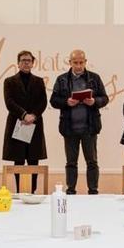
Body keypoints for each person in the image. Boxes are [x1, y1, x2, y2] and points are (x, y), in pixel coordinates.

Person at [50, 49, 109, 194]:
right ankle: (71, 190)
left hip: (90, 128)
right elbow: (53, 100)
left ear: (85, 62)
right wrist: (66, 102)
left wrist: (94, 101)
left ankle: (93, 190)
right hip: (69, 128)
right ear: (70, 62)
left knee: (92, 162)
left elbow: (105, 98)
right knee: (71, 162)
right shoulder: (62, 79)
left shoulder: (94, 78)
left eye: (81, 62)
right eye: (75, 62)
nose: (78, 65)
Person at [2, 50, 47, 193]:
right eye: (23, 60)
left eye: (28, 60)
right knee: (18, 159)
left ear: (33, 63)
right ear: (18, 63)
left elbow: (43, 102)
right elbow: (9, 102)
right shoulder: (9, 81)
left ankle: (32, 190)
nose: (26, 63)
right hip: (18, 123)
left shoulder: (39, 81)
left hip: (34, 124)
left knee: (34, 159)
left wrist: (33, 115)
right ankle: (20, 190)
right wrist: (23, 115)